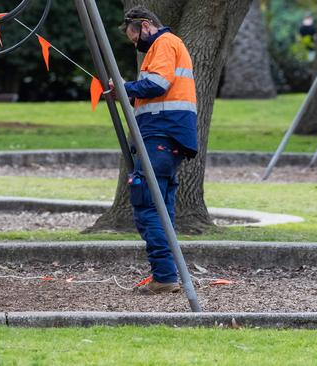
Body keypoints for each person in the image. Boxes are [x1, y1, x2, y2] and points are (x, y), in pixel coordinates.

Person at [116, 6, 198, 295]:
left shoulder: (163, 43)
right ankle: (167, 273)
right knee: (162, 208)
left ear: (146, 25)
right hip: (170, 135)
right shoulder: (167, 45)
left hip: (162, 132)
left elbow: (157, 84)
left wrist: (126, 87)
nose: (134, 43)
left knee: (148, 204)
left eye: (134, 35)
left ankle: (164, 276)